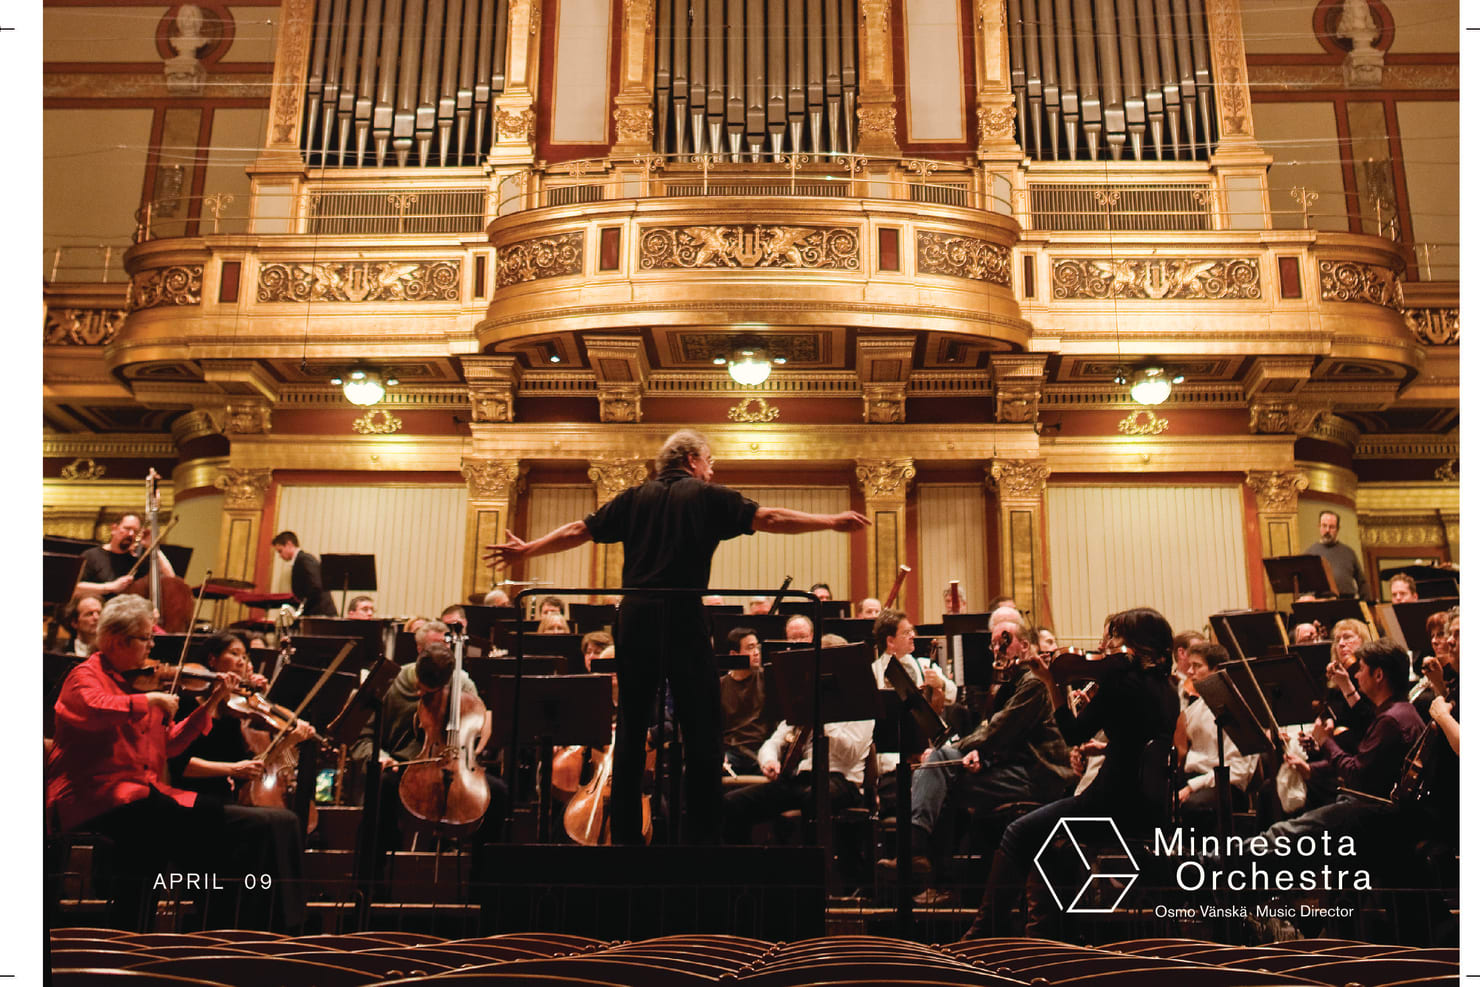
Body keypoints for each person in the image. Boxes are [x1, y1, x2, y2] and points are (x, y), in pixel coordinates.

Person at [485, 428, 869, 844]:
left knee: (631, 727)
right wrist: (830, 521)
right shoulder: (708, 496)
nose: (711, 470)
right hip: (684, 617)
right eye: (709, 462)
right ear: (691, 461)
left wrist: (528, 550)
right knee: (702, 729)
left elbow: (580, 530)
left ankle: (628, 839)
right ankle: (703, 839)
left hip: (634, 618)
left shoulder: (633, 498)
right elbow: (770, 518)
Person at [46, 594, 305, 931]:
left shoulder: (140, 682)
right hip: (93, 797)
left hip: (144, 796)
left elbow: (168, 746)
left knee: (276, 824)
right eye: (146, 639)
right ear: (115, 640)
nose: (153, 647)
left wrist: (211, 702)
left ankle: (258, 929)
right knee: (207, 828)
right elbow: (93, 708)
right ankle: (185, 924)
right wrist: (148, 700)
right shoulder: (85, 676)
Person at [961, 607, 1180, 939]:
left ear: (1137, 642)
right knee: (1046, 844)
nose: (1107, 643)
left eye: (1115, 636)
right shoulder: (1168, 690)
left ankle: (982, 935)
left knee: (1017, 833)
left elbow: (1073, 734)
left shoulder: (1121, 681)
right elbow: (1138, 742)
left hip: (1107, 805)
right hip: (1145, 810)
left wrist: (1051, 682)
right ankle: (1048, 935)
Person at [880, 615, 1073, 897]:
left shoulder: (1033, 683)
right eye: (993, 644)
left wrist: (959, 750)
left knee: (939, 771)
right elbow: (1004, 740)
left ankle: (923, 863)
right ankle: (930, 871)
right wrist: (978, 755)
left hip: (1040, 776)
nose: (998, 650)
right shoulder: (1010, 684)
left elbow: (999, 731)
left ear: (1024, 645)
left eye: (1004, 642)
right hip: (1017, 769)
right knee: (938, 774)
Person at [1256, 640, 1424, 868]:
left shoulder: (1390, 721)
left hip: (1375, 817)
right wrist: (1314, 766)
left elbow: (1356, 774)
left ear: (1378, 675)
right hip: (1375, 808)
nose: (1356, 676)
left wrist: (1326, 742)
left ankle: (1213, 863)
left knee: (1284, 834)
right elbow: (1363, 762)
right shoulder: (1402, 712)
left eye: (1362, 669)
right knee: (1287, 825)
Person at [172, 632, 315, 802]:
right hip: (189, 797)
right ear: (212, 659)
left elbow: (251, 768)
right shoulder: (188, 704)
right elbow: (180, 765)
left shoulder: (232, 714)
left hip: (223, 798)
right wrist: (231, 769)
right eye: (234, 653)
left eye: (245, 656)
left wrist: (288, 742)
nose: (242, 661)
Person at [1175, 642, 1258, 827]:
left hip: (1225, 786)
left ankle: (1200, 855)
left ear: (1216, 669)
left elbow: (1238, 772)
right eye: (1189, 666)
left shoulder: (1235, 708)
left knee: (1192, 806)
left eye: (1197, 666)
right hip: (1196, 777)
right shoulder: (1196, 706)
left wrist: (1191, 787)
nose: (1189, 672)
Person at [870, 608, 956, 775]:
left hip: (928, 751)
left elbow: (953, 695)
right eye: (906, 632)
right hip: (891, 759)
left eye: (912, 630)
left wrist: (941, 684)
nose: (913, 635)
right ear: (890, 641)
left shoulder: (924, 665)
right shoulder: (874, 673)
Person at [76, 513, 175, 600]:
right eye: (127, 528)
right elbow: (75, 588)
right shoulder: (91, 556)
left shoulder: (138, 559)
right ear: (114, 528)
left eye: (135, 531)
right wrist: (110, 587)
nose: (131, 534)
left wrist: (153, 547)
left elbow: (171, 579)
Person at [720, 627, 768, 776]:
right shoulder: (720, 685)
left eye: (757, 647)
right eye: (750, 648)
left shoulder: (768, 679)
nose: (756, 652)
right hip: (731, 751)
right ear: (734, 654)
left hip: (761, 750)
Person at [1302, 510, 1370, 599]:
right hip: (1319, 604)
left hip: (1346, 603)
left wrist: (1367, 604)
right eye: (1324, 526)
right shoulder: (1309, 553)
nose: (1327, 530)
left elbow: (1362, 582)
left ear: (1338, 529)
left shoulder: (1349, 553)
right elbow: (1302, 585)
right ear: (1319, 526)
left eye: (1331, 527)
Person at [271, 531, 336, 616]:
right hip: (316, 612)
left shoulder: (304, 559)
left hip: (320, 613)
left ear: (289, 544)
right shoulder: (301, 560)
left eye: (280, 551)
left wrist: (302, 609)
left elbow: (316, 586)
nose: (280, 555)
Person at [64, 593, 103, 657]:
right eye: (90, 614)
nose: (96, 618)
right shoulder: (61, 650)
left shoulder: (111, 651)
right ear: (74, 622)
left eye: (99, 613)